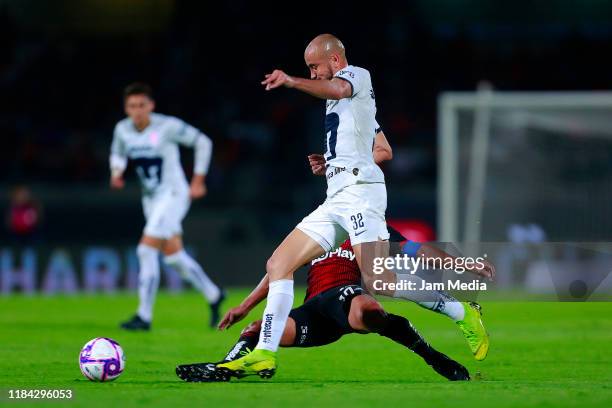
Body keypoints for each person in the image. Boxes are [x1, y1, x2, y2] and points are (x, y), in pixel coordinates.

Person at [218, 35, 492, 378]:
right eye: (308, 70)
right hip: (338, 195)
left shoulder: (357, 77)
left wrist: (290, 80)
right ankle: (264, 354)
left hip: (362, 193)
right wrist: (331, 164)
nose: (314, 74)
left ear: (335, 61)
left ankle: (461, 312)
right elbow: (383, 150)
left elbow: (338, 93)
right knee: (279, 263)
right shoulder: (350, 106)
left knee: (380, 282)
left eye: (315, 67)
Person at [176, 230, 470, 382]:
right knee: (256, 330)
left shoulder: (372, 227)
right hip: (316, 314)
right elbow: (278, 271)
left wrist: (460, 263)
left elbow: (414, 250)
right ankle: (229, 366)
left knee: (370, 310)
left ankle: (433, 357)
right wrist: (244, 306)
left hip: (347, 295)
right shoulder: (319, 232)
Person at [109, 82, 224, 330]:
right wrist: (116, 171)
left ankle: (144, 316)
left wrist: (198, 180)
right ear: (126, 108)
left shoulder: (167, 126)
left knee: (145, 250)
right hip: (150, 198)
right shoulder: (122, 129)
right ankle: (214, 294)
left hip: (173, 194)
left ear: (151, 105)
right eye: (132, 106)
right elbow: (117, 152)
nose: (137, 110)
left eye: (142, 105)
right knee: (173, 258)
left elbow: (203, 142)